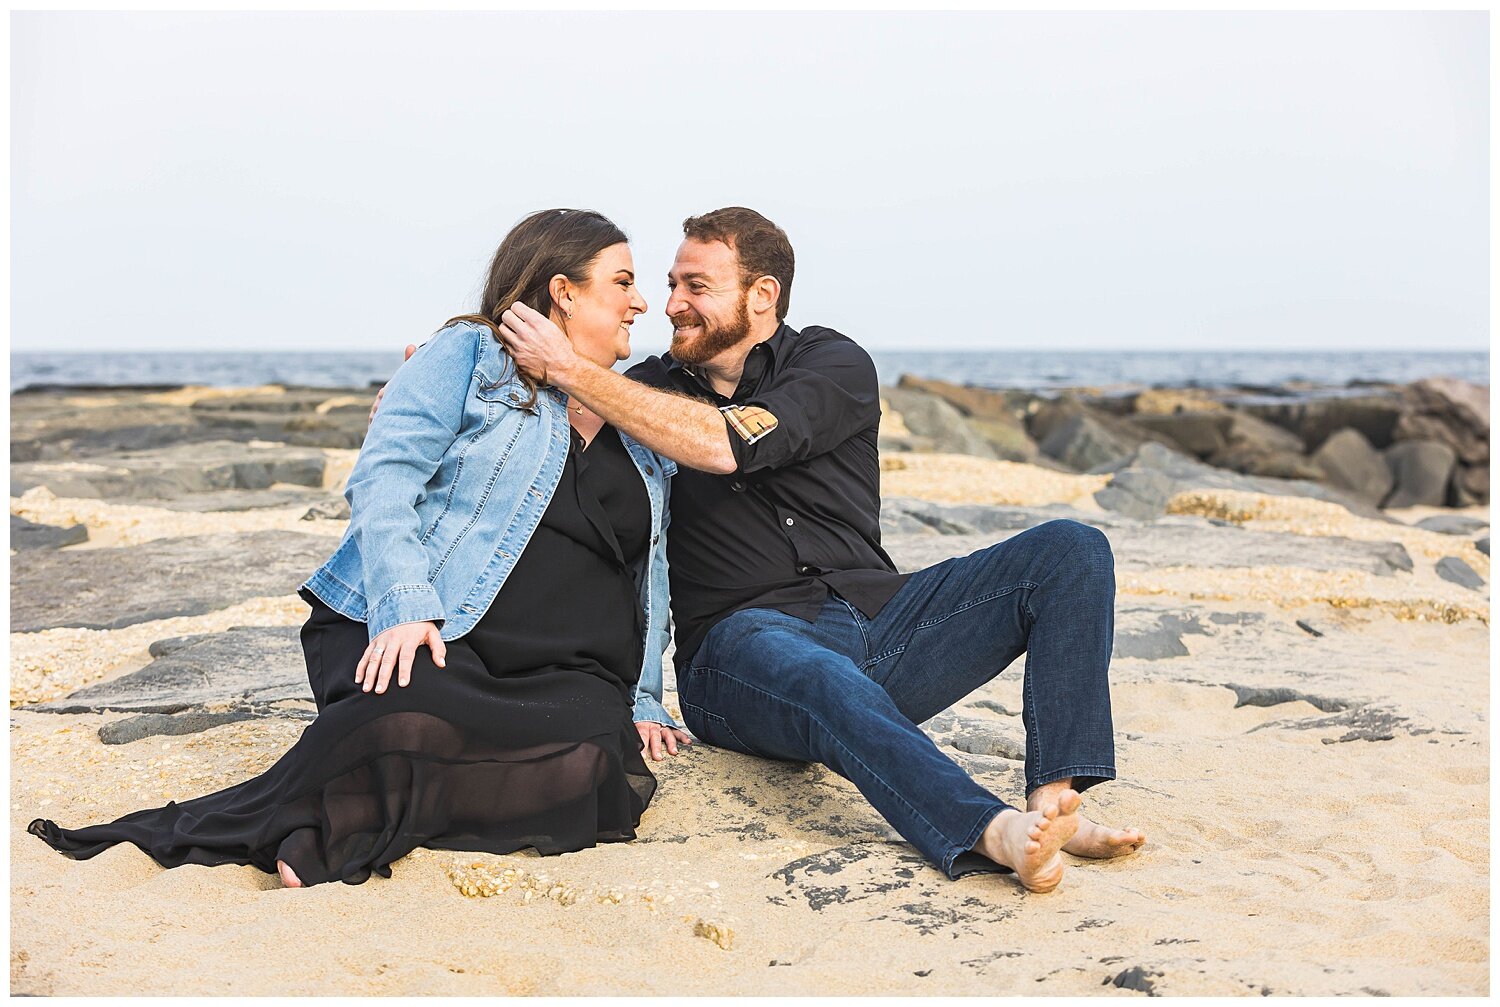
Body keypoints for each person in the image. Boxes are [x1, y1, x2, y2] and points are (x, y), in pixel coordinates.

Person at [29, 208, 690, 887]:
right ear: (564, 292)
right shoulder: (468, 355)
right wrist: (405, 605)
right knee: (408, 722)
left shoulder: (636, 415)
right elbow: (386, 474)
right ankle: (319, 829)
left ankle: (365, 806)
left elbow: (647, 569)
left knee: (595, 767)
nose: (642, 301)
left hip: (563, 670)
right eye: (624, 281)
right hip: (437, 634)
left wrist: (643, 696)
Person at [493, 206, 1146, 894]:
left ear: (762, 294)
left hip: (881, 620)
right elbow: (528, 420)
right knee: (818, 670)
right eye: (671, 283)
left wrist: (573, 370)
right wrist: (430, 392)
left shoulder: (831, 363)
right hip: (737, 654)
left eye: (696, 286)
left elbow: (729, 443)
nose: (672, 304)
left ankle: (1054, 801)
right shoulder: (644, 389)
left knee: (1071, 550)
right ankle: (991, 830)